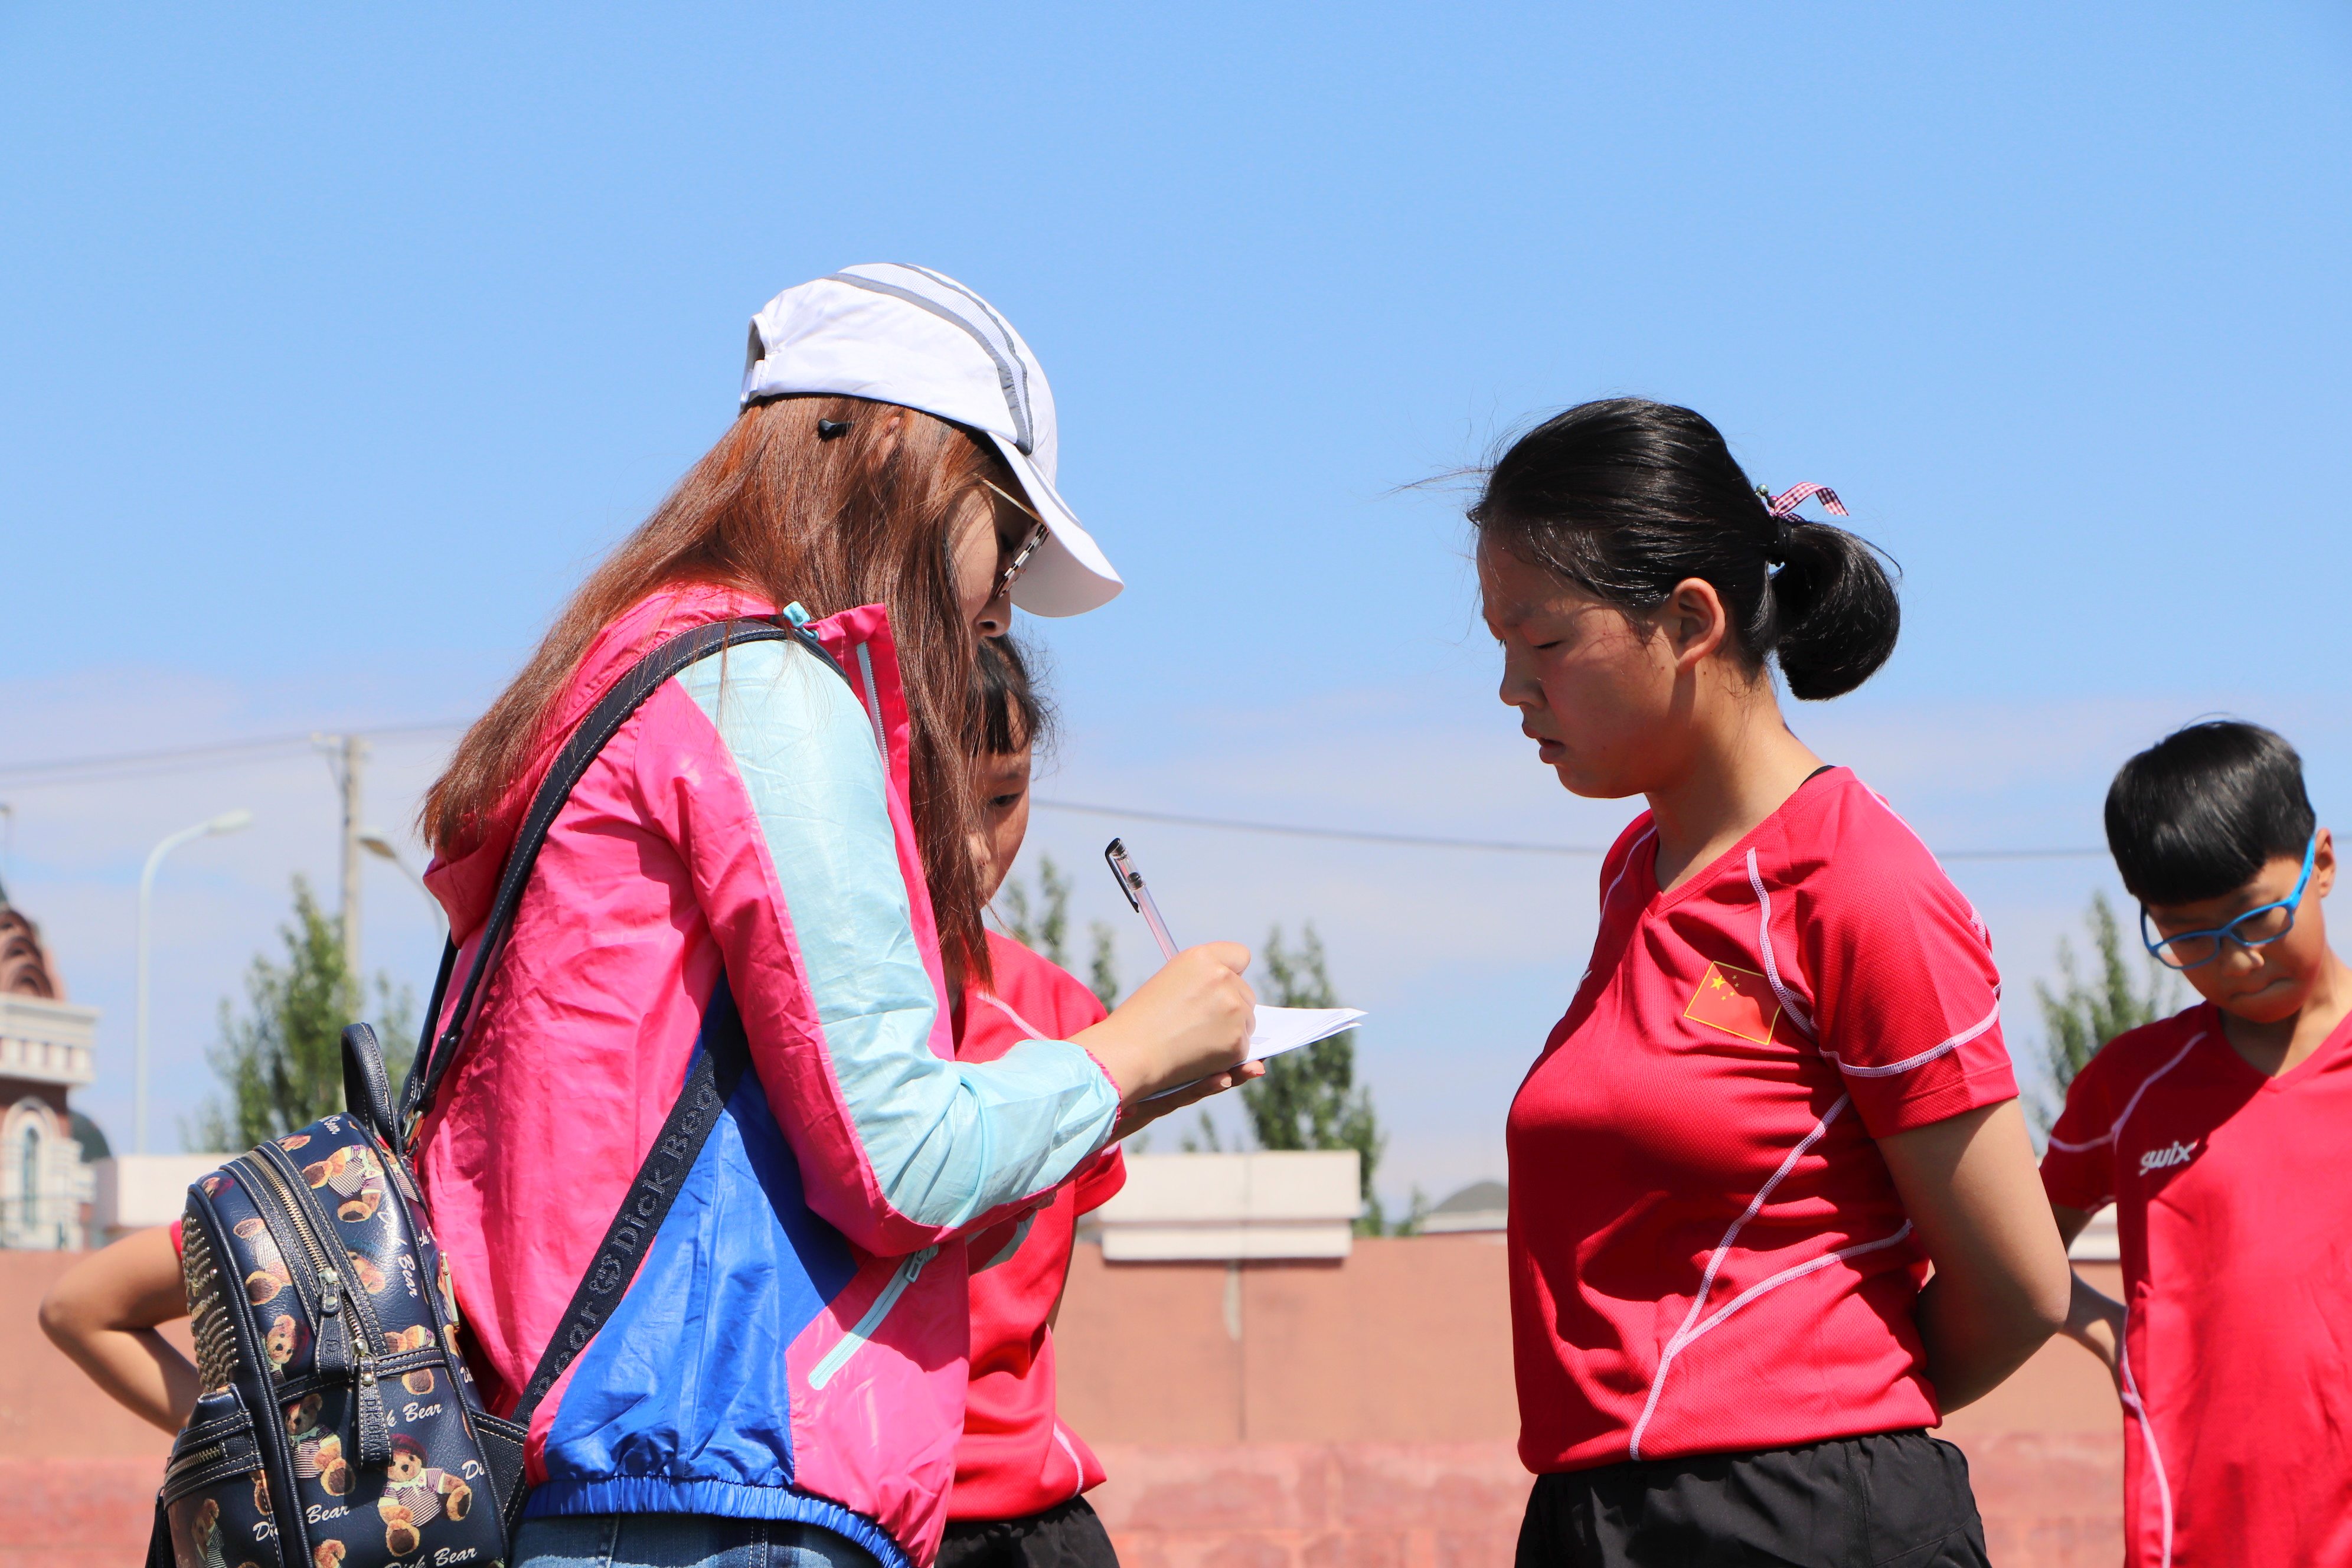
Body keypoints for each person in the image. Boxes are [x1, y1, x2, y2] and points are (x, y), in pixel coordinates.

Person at [405, 266, 1260, 1568]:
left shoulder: (618, 669)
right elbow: (897, 1161)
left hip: (589, 1480)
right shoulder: (766, 693)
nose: (1001, 602)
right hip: (723, 1490)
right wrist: (1132, 1050)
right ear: (909, 451)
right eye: (1009, 537)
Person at [1478, 399, 2070, 1567]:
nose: (1511, 687)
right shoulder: (1638, 876)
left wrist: (1808, 1416)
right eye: (1499, 641)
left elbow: (2018, 1283)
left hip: (1801, 1517)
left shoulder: (1858, 884)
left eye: (1544, 641)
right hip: (1604, 1512)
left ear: (1689, 619)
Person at [2041, 721, 2352, 1568]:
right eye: (2189, 937)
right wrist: (2113, 1334)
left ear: (2321, 861)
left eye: (2256, 918)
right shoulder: (2131, 1086)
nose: (2238, 961)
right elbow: (2020, 1250)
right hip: (2203, 1535)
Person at [940, 637, 1124, 1568]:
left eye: (1005, 798)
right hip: (850, 1518)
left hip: (1028, 1523)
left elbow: (1036, 1311)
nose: (976, 847)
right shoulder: (785, 1015)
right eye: (935, 802)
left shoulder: (1061, 1014)